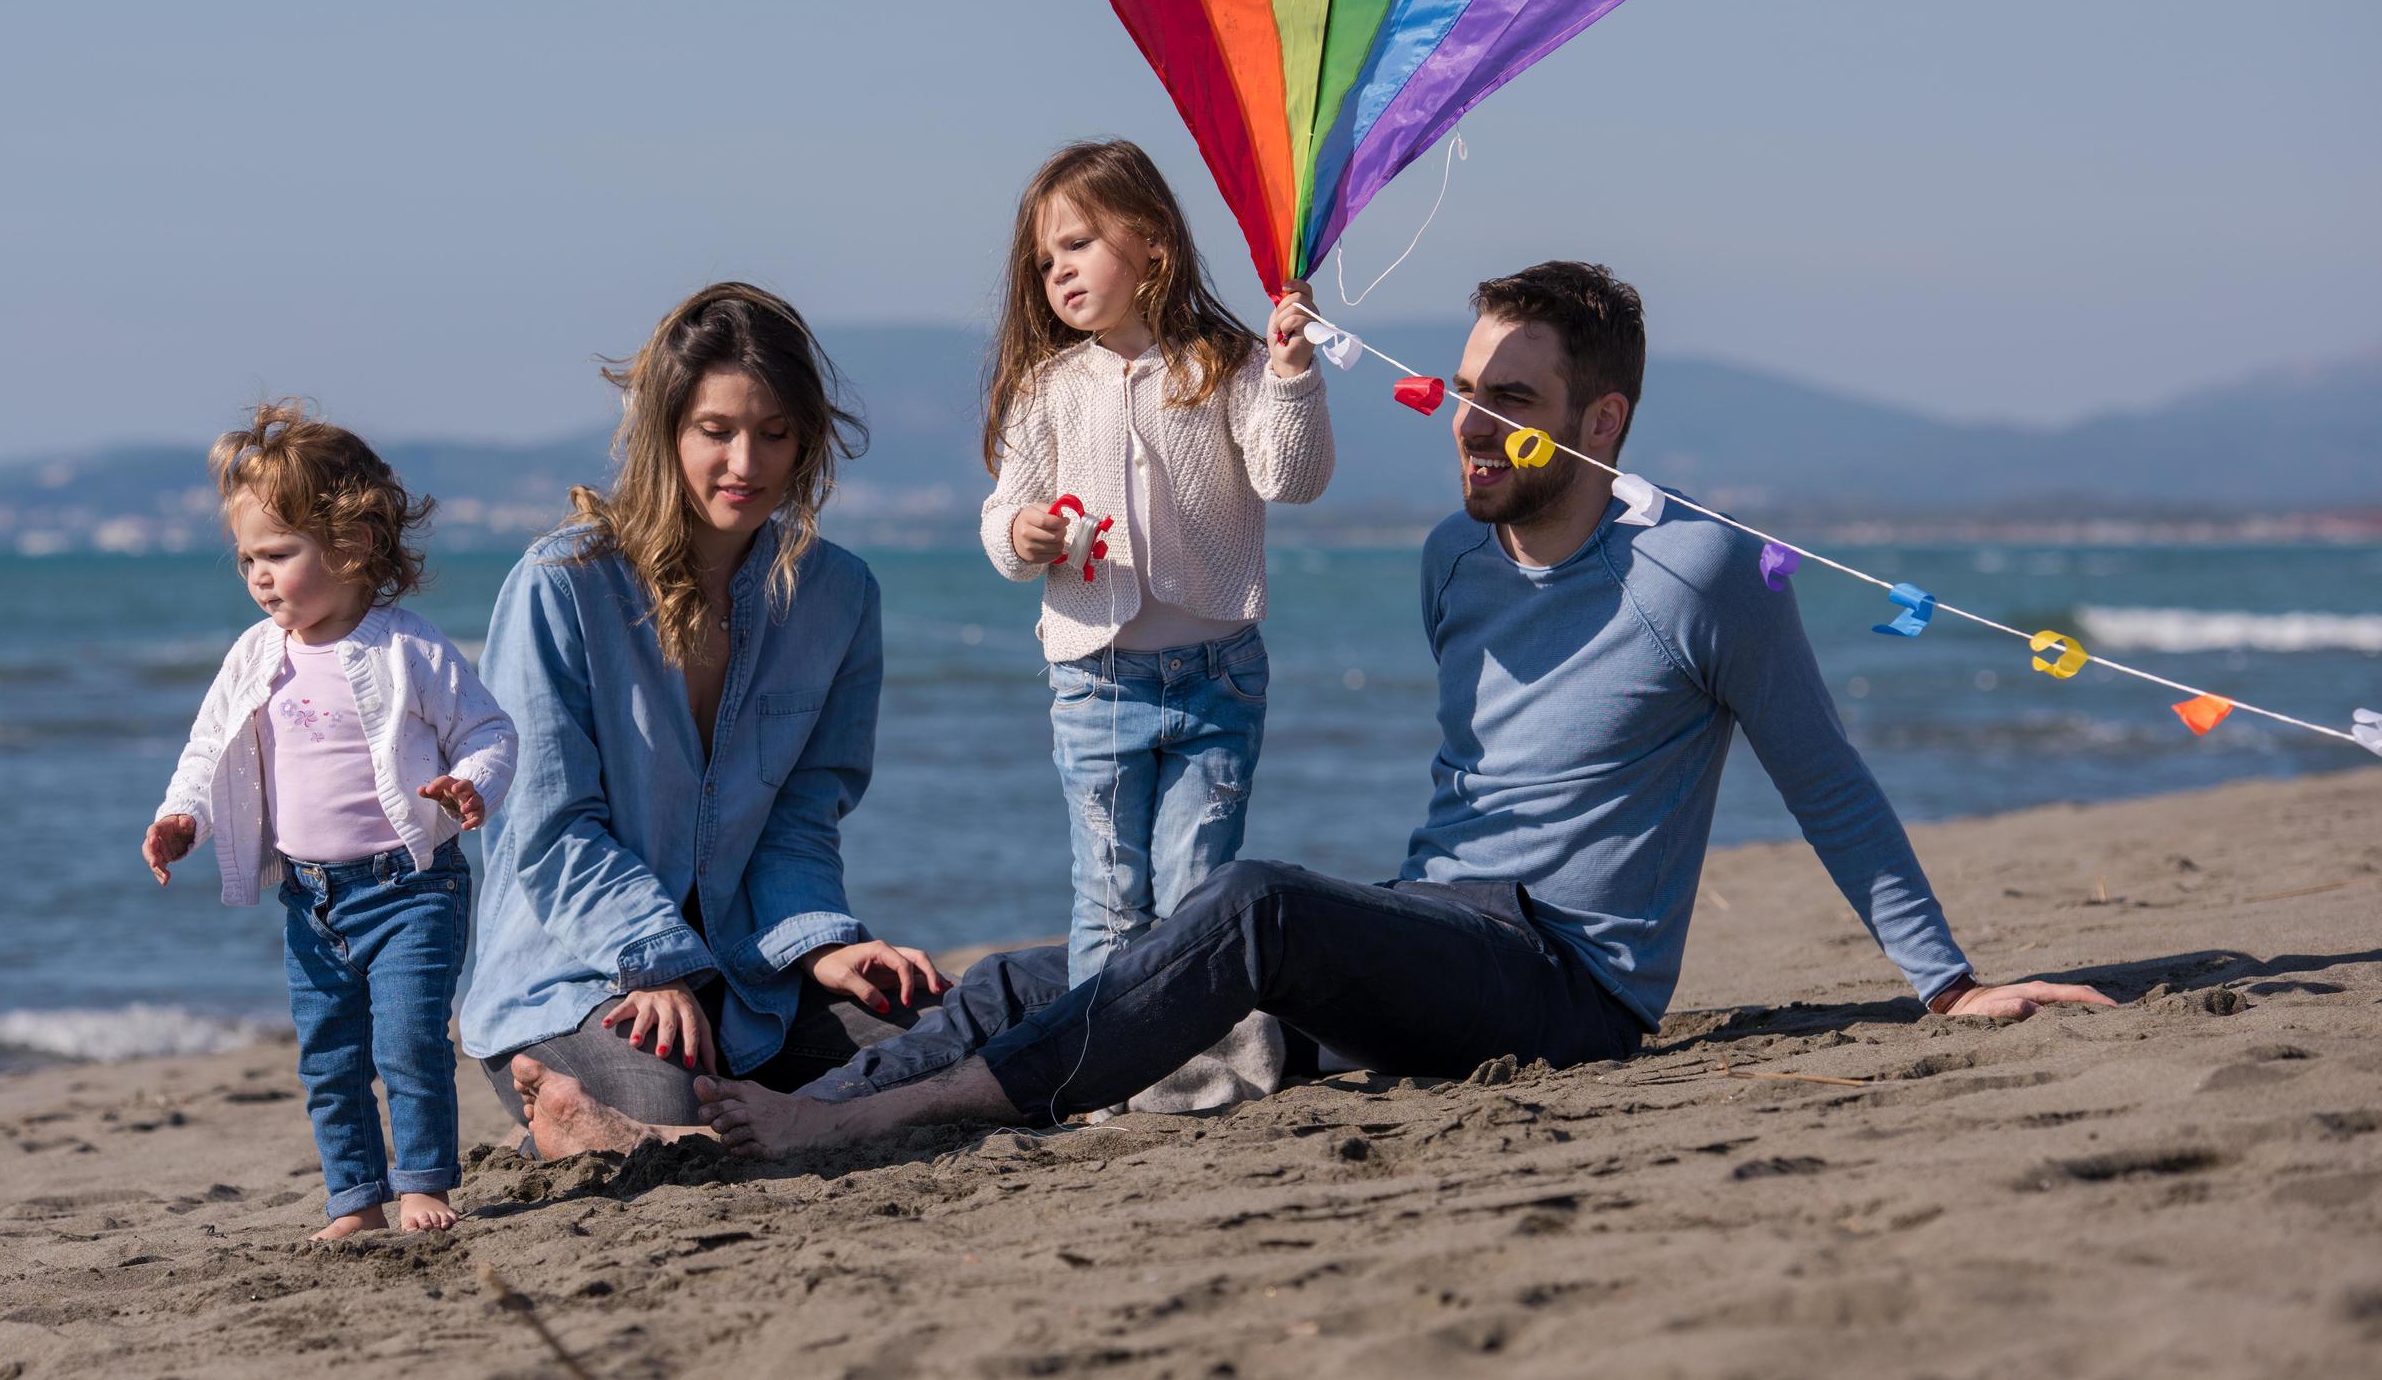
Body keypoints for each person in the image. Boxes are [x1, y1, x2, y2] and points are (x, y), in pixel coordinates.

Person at [515, 262, 2112, 1161]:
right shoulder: (1452, 562)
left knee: (1251, 904)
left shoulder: (1705, 576)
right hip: (1444, 934)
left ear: (1604, 420)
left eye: (1519, 403)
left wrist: (1946, 983)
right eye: (1468, 389)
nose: (1474, 426)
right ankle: (746, 1120)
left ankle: (876, 1123)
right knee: (1049, 970)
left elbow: (1827, 782)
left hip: (1566, 989)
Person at [461, 283, 947, 1153]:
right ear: (665, 432)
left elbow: (802, 814)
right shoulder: (561, 585)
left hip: (747, 971)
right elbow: (548, 827)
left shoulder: (838, 598)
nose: (745, 464)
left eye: (773, 433)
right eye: (714, 431)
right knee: (673, 1114)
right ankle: (556, 1109)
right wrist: (653, 962)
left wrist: (821, 947)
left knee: (938, 1041)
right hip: (577, 974)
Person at [141, 403, 515, 1235]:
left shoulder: (406, 649)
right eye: (246, 559)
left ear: (349, 544)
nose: (259, 576)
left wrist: (467, 783)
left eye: (277, 554)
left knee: (410, 1045)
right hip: (309, 898)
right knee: (329, 1058)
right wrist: (180, 817)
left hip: (410, 888)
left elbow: (490, 731)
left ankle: (423, 1186)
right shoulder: (255, 655)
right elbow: (208, 749)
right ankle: (355, 1198)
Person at [981, 139, 1333, 985]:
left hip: (1220, 677)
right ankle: (1101, 1069)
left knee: (1196, 891)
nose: (1056, 273)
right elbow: (1000, 523)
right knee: (1106, 894)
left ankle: (1194, 1067)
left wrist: (1290, 375)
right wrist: (1022, 532)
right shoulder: (1047, 388)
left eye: (1077, 244)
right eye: (1042, 260)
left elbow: (1292, 479)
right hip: (1097, 679)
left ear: (1152, 244)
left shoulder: (1225, 362)